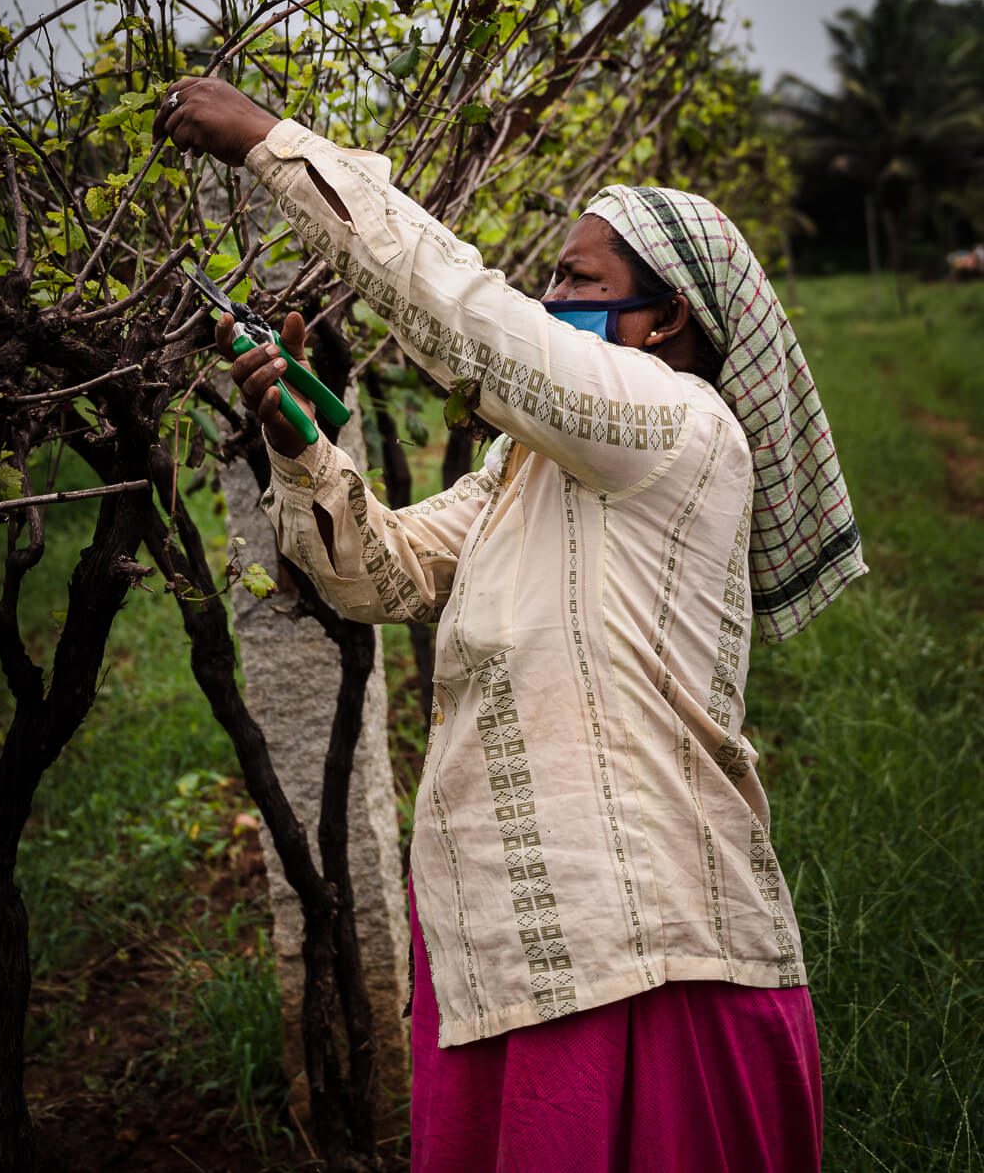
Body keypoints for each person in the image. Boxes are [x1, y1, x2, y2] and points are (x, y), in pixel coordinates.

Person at [154, 77, 866, 1173]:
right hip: (516, 942)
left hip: (643, 945)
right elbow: (379, 579)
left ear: (668, 318)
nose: (551, 298)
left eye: (580, 281)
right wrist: (301, 446)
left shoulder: (676, 420)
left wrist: (271, 146)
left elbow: (476, 324)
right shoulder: (525, 467)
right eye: (551, 279)